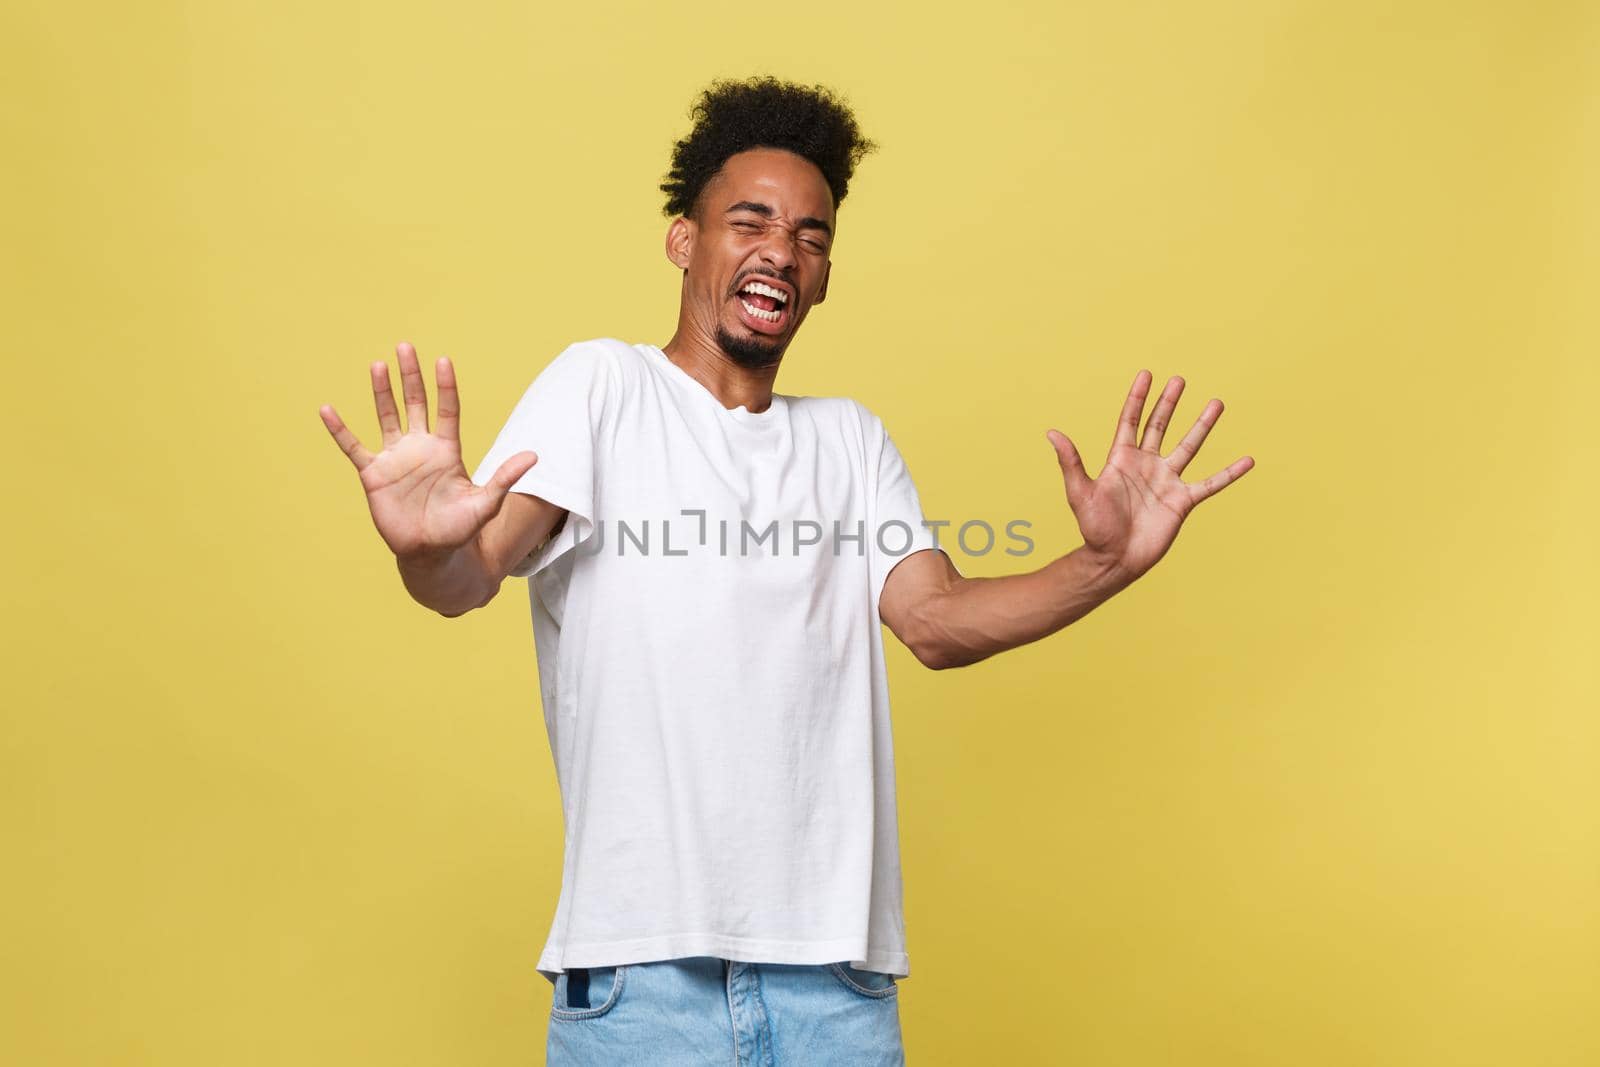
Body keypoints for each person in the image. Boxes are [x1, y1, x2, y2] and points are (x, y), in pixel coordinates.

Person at [318, 74, 1253, 1066]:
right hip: (642, 981)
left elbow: (934, 623)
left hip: (835, 991)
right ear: (685, 239)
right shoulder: (604, 386)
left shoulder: (849, 440)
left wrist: (1104, 561)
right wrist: (426, 548)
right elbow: (470, 577)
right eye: (751, 219)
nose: (781, 249)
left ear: (824, 274)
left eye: (811, 236)